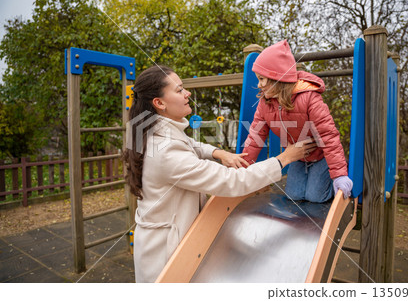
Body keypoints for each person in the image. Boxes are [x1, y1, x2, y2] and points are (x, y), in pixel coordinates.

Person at [123, 65, 314, 282]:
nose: (188, 94)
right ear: (159, 103)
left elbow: (189, 144)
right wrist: (285, 158)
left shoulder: (152, 130)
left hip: (161, 235)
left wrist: (218, 152)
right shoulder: (166, 151)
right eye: (179, 90)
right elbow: (231, 180)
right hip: (165, 251)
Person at [242, 39, 353, 203]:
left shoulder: (309, 98)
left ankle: (333, 177)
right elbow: (254, 138)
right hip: (298, 159)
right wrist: (242, 169)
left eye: (261, 79)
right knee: (294, 196)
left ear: (277, 78)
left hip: (321, 157)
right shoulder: (265, 104)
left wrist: (339, 174)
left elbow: (328, 135)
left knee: (315, 197)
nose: (258, 85)